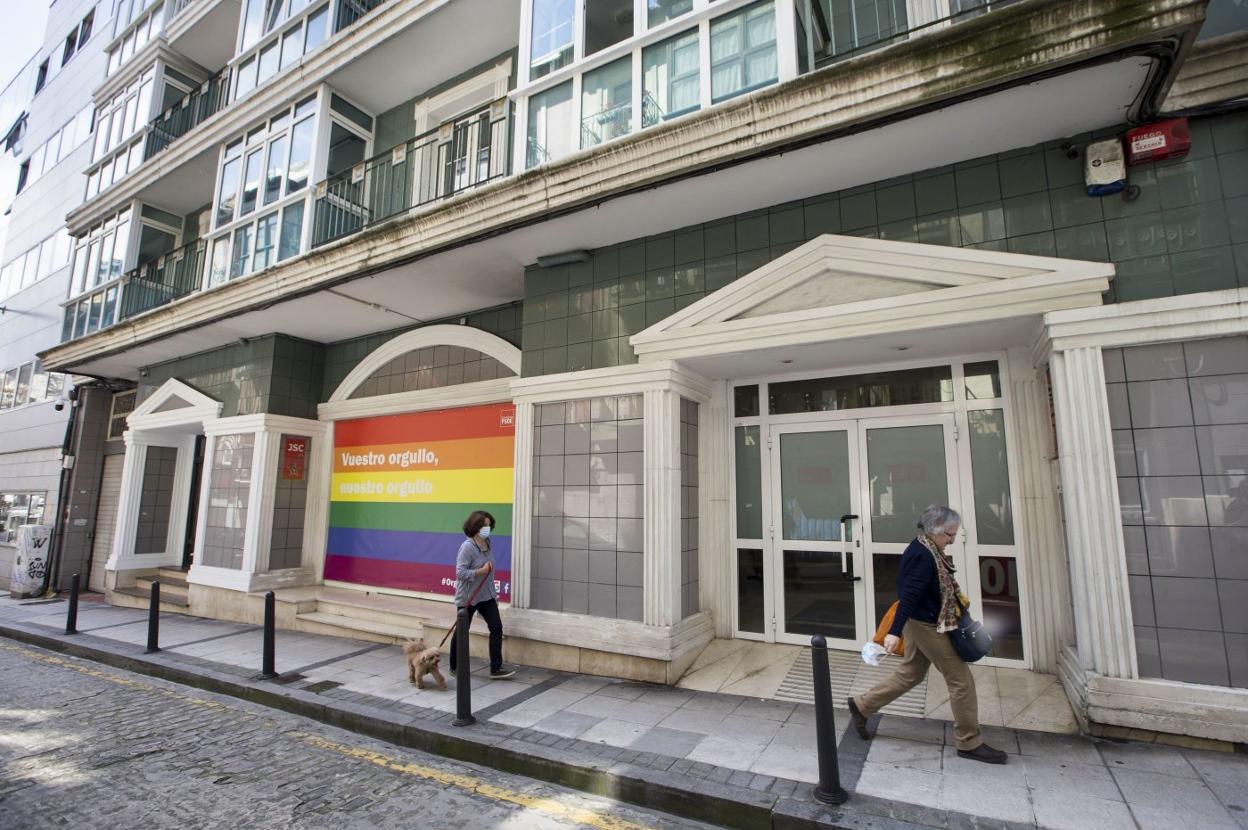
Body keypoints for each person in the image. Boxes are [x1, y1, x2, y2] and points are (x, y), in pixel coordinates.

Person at [847, 504, 1007, 765]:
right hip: (925, 625)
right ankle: (969, 741)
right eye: (949, 535)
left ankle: (862, 705)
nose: (952, 540)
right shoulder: (922, 555)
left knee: (911, 673)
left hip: (924, 621)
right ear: (935, 530)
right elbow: (908, 596)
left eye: (954, 535)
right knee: (960, 680)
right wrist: (894, 632)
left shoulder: (927, 548)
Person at [449, 510, 515, 680]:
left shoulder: (487, 543)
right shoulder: (467, 547)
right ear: (475, 526)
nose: (488, 528)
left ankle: (496, 668)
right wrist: (481, 571)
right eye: (484, 525)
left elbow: (490, 574)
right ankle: (454, 666)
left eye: (489, 525)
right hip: (468, 597)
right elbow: (460, 573)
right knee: (462, 631)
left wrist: (494, 595)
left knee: (496, 628)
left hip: (487, 596)